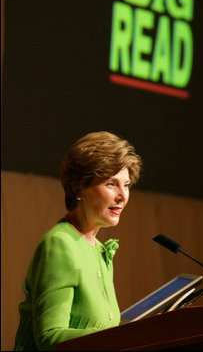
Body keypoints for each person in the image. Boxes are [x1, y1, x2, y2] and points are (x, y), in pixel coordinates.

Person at [13, 131, 142, 351]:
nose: (122, 195)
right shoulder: (60, 244)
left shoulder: (99, 249)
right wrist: (123, 336)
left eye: (126, 184)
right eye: (112, 184)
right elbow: (50, 337)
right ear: (79, 187)